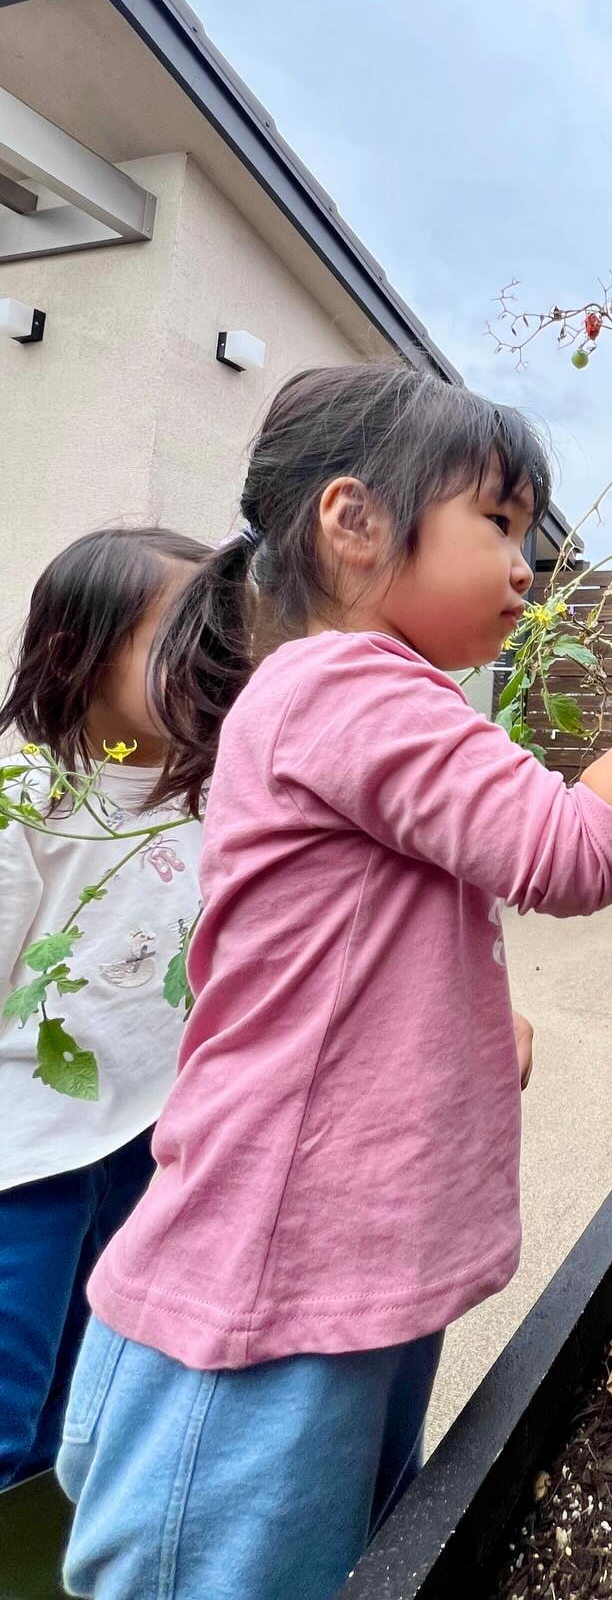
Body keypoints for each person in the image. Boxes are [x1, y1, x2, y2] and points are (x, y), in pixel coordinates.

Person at [58, 364, 612, 1600]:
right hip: (278, 1289)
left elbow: (350, 927)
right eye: (497, 523)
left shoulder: (342, 695)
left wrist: (450, 1021)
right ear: (352, 524)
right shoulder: (347, 684)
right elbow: (573, 853)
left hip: (335, 1269)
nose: (526, 563)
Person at [0, 526, 210, 1491]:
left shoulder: (216, 796)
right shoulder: (27, 796)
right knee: (9, 1396)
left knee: (97, 1385)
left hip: (146, 1142)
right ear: (78, 654)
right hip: (27, 1157)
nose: (212, 655)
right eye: (182, 633)